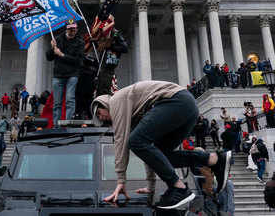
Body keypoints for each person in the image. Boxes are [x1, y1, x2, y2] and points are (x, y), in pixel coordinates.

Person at [91, 81, 232, 209]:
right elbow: (150, 153)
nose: (101, 118)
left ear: (104, 103)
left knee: (134, 141)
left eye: (99, 113)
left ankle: (179, 188)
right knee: (161, 154)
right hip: (188, 107)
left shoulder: (116, 101)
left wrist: (121, 180)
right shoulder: (133, 112)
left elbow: (121, 142)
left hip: (176, 101)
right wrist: (151, 186)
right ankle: (213, 159)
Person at [46, 19, 84, 127]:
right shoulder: (58, 39)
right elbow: (49, 57)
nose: (73, 31)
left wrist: (62, 55)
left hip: (72, 74)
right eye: (70, 29)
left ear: (76, 28)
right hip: (58, 75)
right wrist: (52, 48)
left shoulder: (80, 42)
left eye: (74, 28)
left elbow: (79, 61)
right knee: (57, 102)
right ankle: (56, 126)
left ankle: (68, 124)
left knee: (69, 99)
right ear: (66, 29)